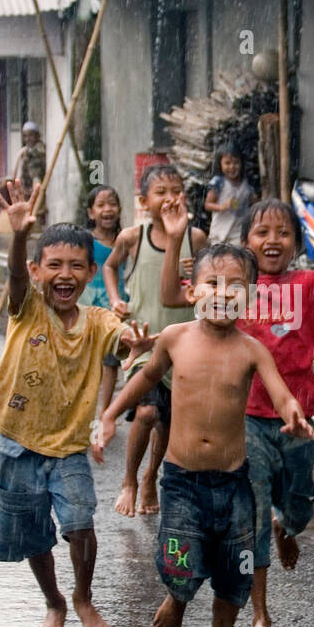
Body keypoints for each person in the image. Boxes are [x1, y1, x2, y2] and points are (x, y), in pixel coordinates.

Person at [161, 195, 314, 627]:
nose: (272, 240)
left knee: (299, 504)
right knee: (253, 518)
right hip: (247, 424)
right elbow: (171, 296)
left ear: (297, 242)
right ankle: (260, 615)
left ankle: (288, 526)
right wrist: (177, 235)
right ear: (245, 242)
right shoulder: (233, 287)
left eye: (283, 233)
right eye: (261, 232)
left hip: (297, 419)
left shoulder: (312, 282)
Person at [99, 242, 314, 627]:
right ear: (192, 291)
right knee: (179, 555)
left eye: (235, 285)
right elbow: (146, 376)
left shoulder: (252, 350)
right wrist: (108, 412)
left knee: (236, 570)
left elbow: (278, 391)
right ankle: (178, 596)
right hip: (181, 479)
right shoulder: (176, 338)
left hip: (233, 481)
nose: (222, 292)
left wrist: (292, 411)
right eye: (211, 283)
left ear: (252, 297)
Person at [0, 179, 154, 627]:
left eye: (76, 266)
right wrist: (17, 235)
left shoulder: (96, 321)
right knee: (34, 536)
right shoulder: (27, 307)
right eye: (53, 265)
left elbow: (124, 337)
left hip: (69, 445)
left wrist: (137, 341)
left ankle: (82, 595)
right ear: (37, 271)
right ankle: (54, 600)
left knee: (80, 525)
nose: (65, 274)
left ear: (92, 272)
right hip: (16, 439)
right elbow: (13, 278)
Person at [102, 163, 207, 517]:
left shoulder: (197, 239)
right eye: (160, 192)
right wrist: (116, 298)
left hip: (183, 343)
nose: (169, 198)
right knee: (147, 411)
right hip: (144, 341)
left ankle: (151, 476)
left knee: (168, 419)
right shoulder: (132, 237)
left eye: (175, 191)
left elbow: (205, 284)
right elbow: (109, 266)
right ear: (144, 201)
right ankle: (130, 478)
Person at [81, 184, 126, 414]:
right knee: (86, 360)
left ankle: (105, 412)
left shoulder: (126, 240)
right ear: (91, 213)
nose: (107, 209)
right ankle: (82, 408)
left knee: (111, 362)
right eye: (101, 205)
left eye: (112, 204)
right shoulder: (85, 241)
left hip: (115, 307)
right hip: (88, 306)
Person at [204, 145, 254, 243]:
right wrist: (222, 206)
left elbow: (253, 201)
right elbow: (207, 205)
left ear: (241, 164)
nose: (232, 166)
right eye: (227, 163)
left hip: (238, 233)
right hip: (219, 232)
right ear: (220, 164)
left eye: (236, 162)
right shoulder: (218, 182)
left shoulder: (246, 185)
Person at [13, 122, 46, 193]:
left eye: (31, 135)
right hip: (26, 190)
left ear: (37, 136)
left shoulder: (38, 151)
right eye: (25, 136)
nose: (28, 139)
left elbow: (36, 177)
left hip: (32, 192)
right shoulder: (26, 150)